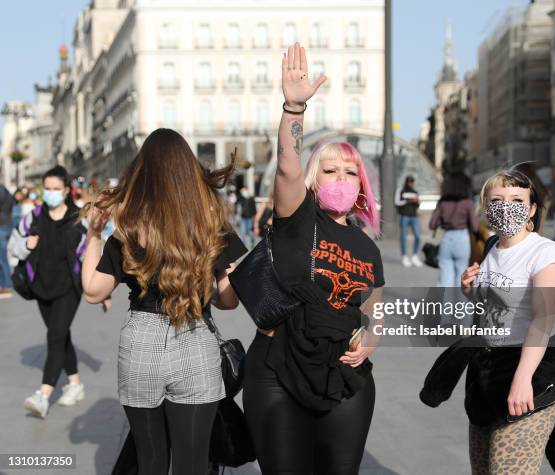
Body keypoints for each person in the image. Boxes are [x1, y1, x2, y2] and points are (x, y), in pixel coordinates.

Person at [242, 43, 385, 474]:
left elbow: (376, 307)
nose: (340, 179)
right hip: (276, 372)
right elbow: (287, 165)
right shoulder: (297, 217)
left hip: (343, 377)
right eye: (329, 170)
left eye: (349, 172)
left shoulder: (368, 246)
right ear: (313, 179)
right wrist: (294, 108)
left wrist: (371, 341)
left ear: (361, 184)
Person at [81, 128, 247, 475]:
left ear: (142, 175)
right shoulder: (211, 225)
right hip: (195, 336)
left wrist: (94, 234)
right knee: (192, 464)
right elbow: (228, 302)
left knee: (150, 461)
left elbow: (93, 291)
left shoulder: (129, 229)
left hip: (140, 343)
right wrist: (220, 273)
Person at [458, 169, 555, 474]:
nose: (507, 206)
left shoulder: (544, 252)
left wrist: (523, 379)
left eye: (517, 199)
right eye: (497, 199)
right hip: (485, 376)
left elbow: (543, 317)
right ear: (485, 207)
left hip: (529, 375)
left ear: (532, 208)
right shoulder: (491, 247)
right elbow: (495, 308)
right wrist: (469, 289)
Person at [14, 166, 88, 418]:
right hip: (41, 287)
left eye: (56, 189)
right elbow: (13, 246)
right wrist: (26, 244)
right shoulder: (33, 216)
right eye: (47, 188)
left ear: (66, 190)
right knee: (60, 334)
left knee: (55, 337)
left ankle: (43, 396)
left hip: (69, 288)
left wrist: (104, 292)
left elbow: (90, 255)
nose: (51, 193)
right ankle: (75, 384)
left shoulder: (79, 219)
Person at [429, 172, 479, 287]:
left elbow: (432, 225)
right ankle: (459, 304)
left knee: (444, 278)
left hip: (447, 238)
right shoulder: (468, 203)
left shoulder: (443, 202)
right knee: (461, 277)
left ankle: (445, 304)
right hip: (462, 238)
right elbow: (475, 227)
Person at [395, 175, 422, 267]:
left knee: (418, 236)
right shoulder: (401, 190)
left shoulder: (415, 192)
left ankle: (415, 255)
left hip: (414, 216)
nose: (411, 184)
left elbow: (418, 204)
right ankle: (404, 256)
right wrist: (408, 201)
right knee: (403, 237)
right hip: (404, 216)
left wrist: (417, 201)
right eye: (409, 182)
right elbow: (397, 202)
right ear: (406, 182)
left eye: (412, 182)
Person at [0, 183, 15, 298]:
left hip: (2, 226)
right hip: (5, 224)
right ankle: (4, 284)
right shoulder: (4, 189)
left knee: (2, 258)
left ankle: (6, 284)